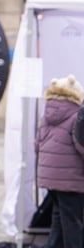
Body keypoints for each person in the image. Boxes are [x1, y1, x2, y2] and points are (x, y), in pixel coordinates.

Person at [34, 74, 84, 248]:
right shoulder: (76, 115)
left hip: (49, 177)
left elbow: (37, 145)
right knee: (73, 222)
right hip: (70, 178)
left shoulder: (46, 114)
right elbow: (81, 145)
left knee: (58, 217)